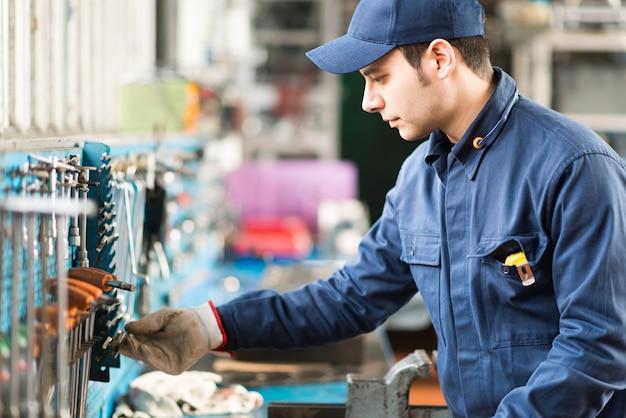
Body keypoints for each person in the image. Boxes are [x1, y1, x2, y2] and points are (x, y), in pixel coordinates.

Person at [119, 0, 626, 416]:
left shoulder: (574, 166)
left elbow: (596, 346)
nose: (368, 101)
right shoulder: (419, 181)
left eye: (378, 77)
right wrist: (209, 327)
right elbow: (350, 298)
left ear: (440, 59)